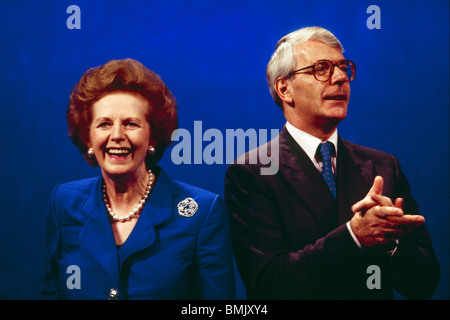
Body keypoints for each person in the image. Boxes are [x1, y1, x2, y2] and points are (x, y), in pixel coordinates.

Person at [224, 27, 439, 299]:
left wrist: (390, 243)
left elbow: (425, 284)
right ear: (284, 88)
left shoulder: (384, 168)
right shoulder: (252, 172)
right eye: (321, 69)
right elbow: (268, 284)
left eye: (342, 67)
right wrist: (355, 236)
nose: (339, 78)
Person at [42, 58, 235, 300]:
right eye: (104, 124)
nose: (117, 135)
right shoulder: (63, 203)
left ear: (153, 137)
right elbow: (51, 291)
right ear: (88, 138)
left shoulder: (202, 213)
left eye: (131, 124)